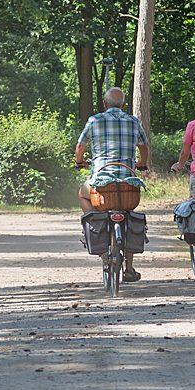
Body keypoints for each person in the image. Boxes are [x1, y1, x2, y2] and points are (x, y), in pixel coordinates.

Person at [75, 87, 149, 283]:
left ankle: (96, 225)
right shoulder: (133, 121)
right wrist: (142, 163)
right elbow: (143, 146)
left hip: (101, 183)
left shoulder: (95, 120)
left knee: (82, 194)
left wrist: (79, 161)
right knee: (128, 215)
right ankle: (130, 268)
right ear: (123, 105)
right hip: (127, 184)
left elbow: (80, 146)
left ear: (105, 104)